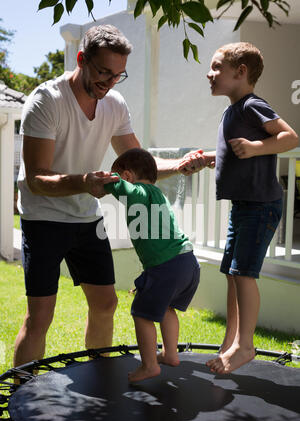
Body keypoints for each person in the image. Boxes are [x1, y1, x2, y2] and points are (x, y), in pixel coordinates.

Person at [14, 24, 204, 368]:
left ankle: (97, 382)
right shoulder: (47, 100)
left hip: (86, 216)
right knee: (40, 317)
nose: (110, 81)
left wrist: (180, 165)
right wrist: (84, 181)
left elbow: (140, 163)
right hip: (43, 217)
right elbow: (37, 179)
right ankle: (14, 404)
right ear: (82, 59)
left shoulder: (114, 103)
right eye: (103, 71)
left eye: (118, 75)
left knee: (105, 305)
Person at [180, 42, 298, 374]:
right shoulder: (232, 110)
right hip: (244, 205)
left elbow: (290, 137)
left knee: (244, 274)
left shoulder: (251, 105)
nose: (210, 73)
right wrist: (209, 159)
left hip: (260, 205)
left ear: (240, 71)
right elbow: (238, 154)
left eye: (217, 67)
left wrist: (257, 146)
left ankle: (245, 346)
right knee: (233, 275)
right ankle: (231, 342)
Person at [104, 148, 200, 382]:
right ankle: (170, 354)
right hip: (187, 262)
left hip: (166, 266)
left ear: (127, 175)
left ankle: (149, 365)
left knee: (142, 314)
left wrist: (105, 180)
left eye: (120, 176)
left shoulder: (137, 191)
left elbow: (119, 186)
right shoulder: (157, 193)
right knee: (167, 309)